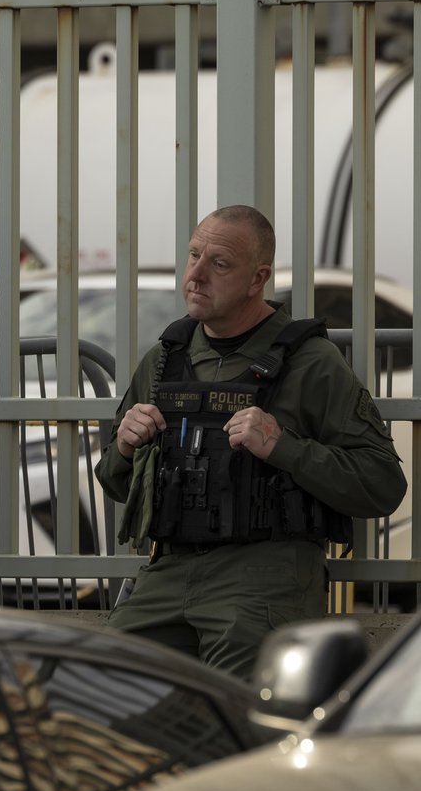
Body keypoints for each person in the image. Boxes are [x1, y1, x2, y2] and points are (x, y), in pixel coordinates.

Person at [97, 204, 406, 678]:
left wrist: (284, 446)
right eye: (193, 255)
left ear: (257, 278)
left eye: (218, 263)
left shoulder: (312, 363)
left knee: (242, 717)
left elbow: (383, 483)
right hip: (169, 572)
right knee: (93, 686)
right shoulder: (165, 358)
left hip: (265, 574)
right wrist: (123, 447)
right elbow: (117, 484)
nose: (196, 275)